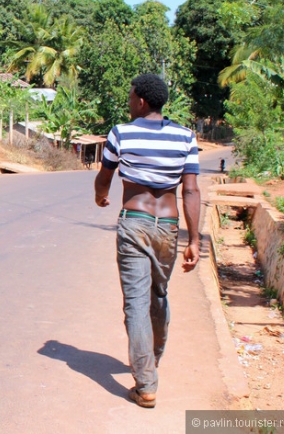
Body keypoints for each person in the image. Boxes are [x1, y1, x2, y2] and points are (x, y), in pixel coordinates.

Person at [93, 73, 201, 409]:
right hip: (168, 227)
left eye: (130, 96)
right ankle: (152, 359)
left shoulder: (122, 133)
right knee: (159, 294)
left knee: (136, 303)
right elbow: (192, 190)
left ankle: (146, 383)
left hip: (134, 223)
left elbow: (106, 175)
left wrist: (100, 196)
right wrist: (194, 239)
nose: (128, 102)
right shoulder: (185, 137)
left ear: (141, 100)